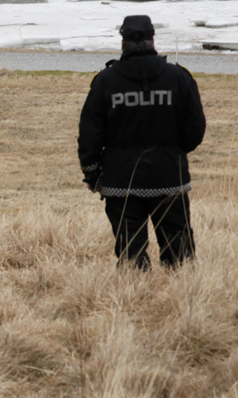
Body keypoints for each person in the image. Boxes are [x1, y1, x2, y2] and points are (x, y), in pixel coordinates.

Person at [77, 15, 206, 270]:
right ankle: (180, 298)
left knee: (130, 252)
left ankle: (134, 300)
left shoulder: (105, 81)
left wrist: (92, 173)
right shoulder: (178, 77)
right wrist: (174, 152)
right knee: (179, 252)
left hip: (120, 180)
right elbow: (195, 128)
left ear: (123, 43)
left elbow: (89, 133)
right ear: (153, 40)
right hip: (169, 175)